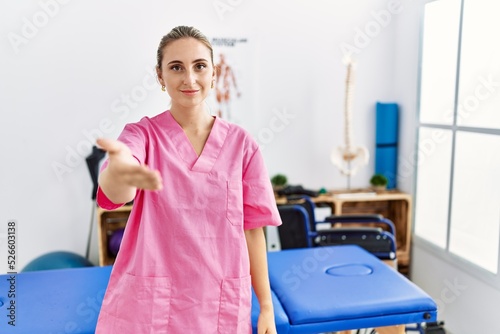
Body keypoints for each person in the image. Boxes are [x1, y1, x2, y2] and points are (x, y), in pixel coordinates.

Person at [94, 26, 282, 334]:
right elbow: (117, 190)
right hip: (151, 306)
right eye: (176, 67)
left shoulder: (242, 144)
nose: (189, 78)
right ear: (160, 76)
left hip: (220, 303)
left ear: (213, 72)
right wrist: (119, 170)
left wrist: (267, 308)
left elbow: (253, 232)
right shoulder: (142, 135)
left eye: (199, 66)